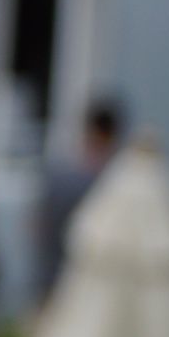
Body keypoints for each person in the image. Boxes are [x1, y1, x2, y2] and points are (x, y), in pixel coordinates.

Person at [33, 95, 121, 306]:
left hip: (54, 273)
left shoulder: (61, 173)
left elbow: (37, 224)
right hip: (91, 283)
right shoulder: (113, 182)